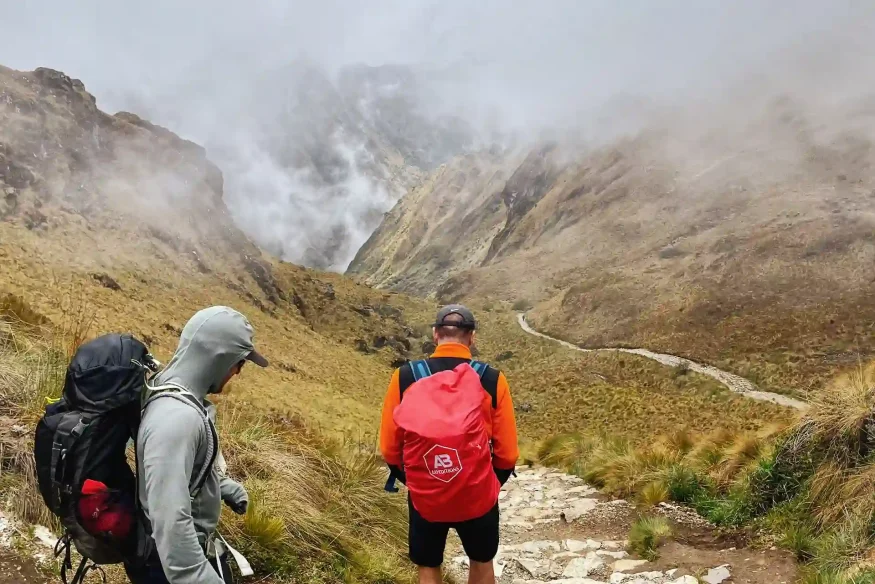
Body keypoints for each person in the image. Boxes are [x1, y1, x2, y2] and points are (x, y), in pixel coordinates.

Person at [125, 306, 269, 584]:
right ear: (220, 358)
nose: (238, 372)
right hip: (168, 566)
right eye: (240, 362)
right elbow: (170, 520)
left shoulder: (164, 387)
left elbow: (171, 470)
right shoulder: (178, 418)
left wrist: (222, 486)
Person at [379, 304, 519, 584]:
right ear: (472, 337)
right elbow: (507, 454)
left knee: (428, 564)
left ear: (435, 335)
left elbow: (390, 448)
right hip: (477, 493)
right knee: (481, 560)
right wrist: (489, 482)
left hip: (425, 494)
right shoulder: (492, 379)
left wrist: (418, 481)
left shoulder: (405, 377)